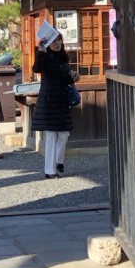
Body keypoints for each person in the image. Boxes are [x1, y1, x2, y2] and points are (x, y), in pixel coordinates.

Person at [31, 20, 80, 179]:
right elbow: (36, 68)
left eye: (59, 40)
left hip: (63, 101)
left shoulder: (63, 58)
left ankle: (59, 161)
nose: (57, 43)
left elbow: (66, 78)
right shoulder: (44, 57)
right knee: (51, 136)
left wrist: (74, 77)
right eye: (54, 41)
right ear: (49, 43)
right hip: (49, 100)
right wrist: (41, 50)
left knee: (64, 134)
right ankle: (50, 170)